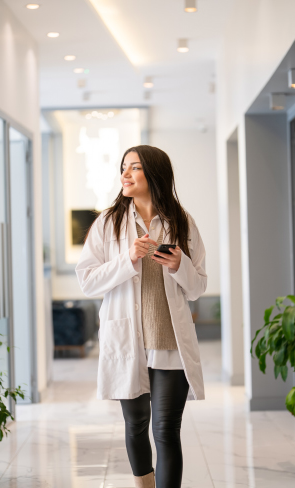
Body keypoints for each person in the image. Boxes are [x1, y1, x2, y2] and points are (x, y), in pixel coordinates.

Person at [76, 145, 207, 488]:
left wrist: (181, 266)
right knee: (136, 425)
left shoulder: (181, 221)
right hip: (127, 340)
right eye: (123, 168)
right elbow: (87, 280)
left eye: (134, 167)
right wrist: (128, 260)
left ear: (155, 173)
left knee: (166, 431)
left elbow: (197, 287)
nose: (125, 174)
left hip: (168, 343)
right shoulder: (109, 222)